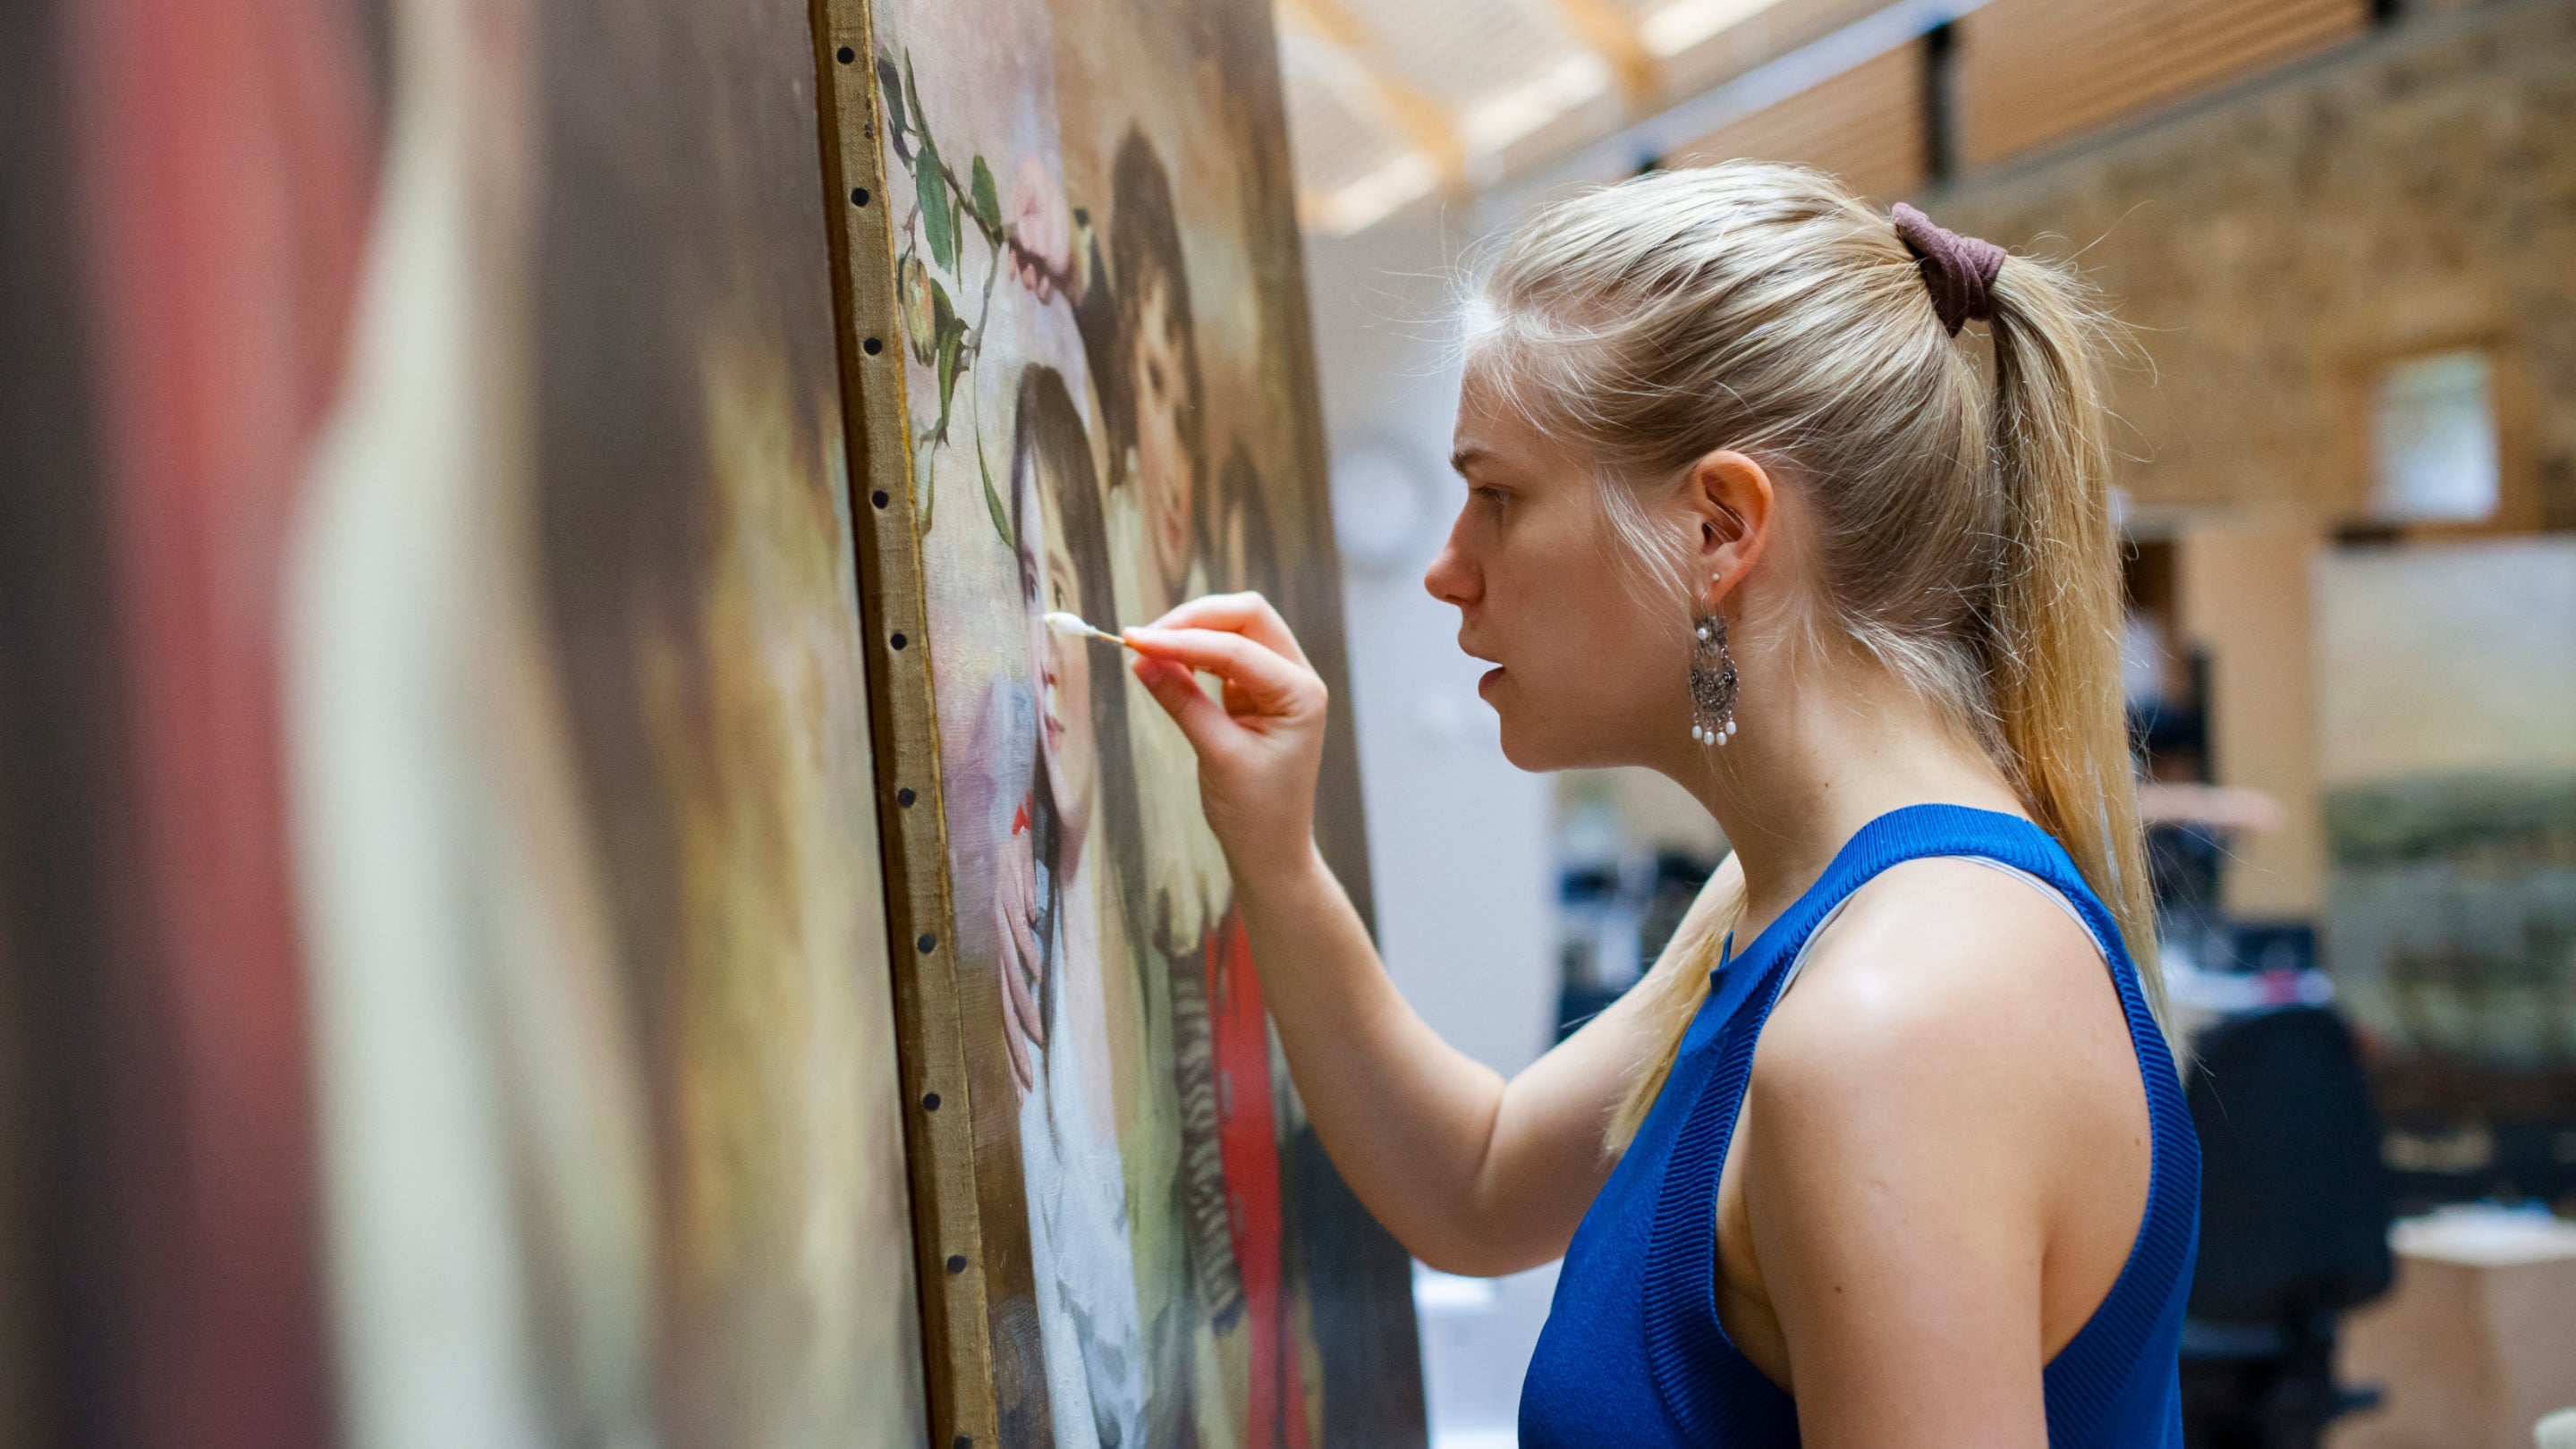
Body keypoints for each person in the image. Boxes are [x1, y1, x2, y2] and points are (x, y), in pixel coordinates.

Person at [1121, 162, 2201, 1448]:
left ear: (1717, 529)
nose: (1447, 571)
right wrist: (1278, 856)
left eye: (1499, 496)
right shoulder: (1791, 904)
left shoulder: (1895, 1020)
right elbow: (1476, 1182)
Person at [992, 363, 1154, 1449]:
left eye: (1065, 592)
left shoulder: (1157, 940)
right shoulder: (1012, 929)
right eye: (1023, 594)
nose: (1046, 662)